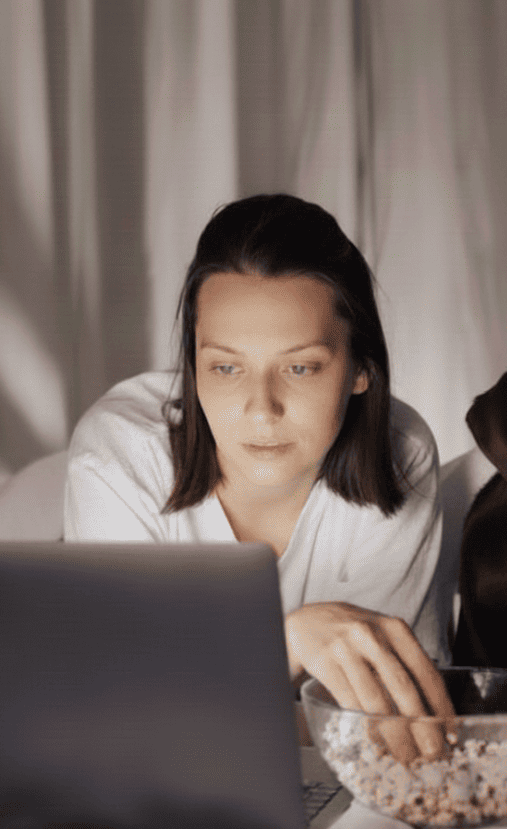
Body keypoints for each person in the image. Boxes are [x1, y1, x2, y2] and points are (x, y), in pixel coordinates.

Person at [64, 193, 454, 758]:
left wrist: (202, 699)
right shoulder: (116, 458)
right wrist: (290, 641)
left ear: (360, 371)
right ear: (193, 368)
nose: (261, 409)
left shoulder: (401, 455)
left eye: (299, 368)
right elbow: (121, 719)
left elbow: (379, 721)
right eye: (226, 367)